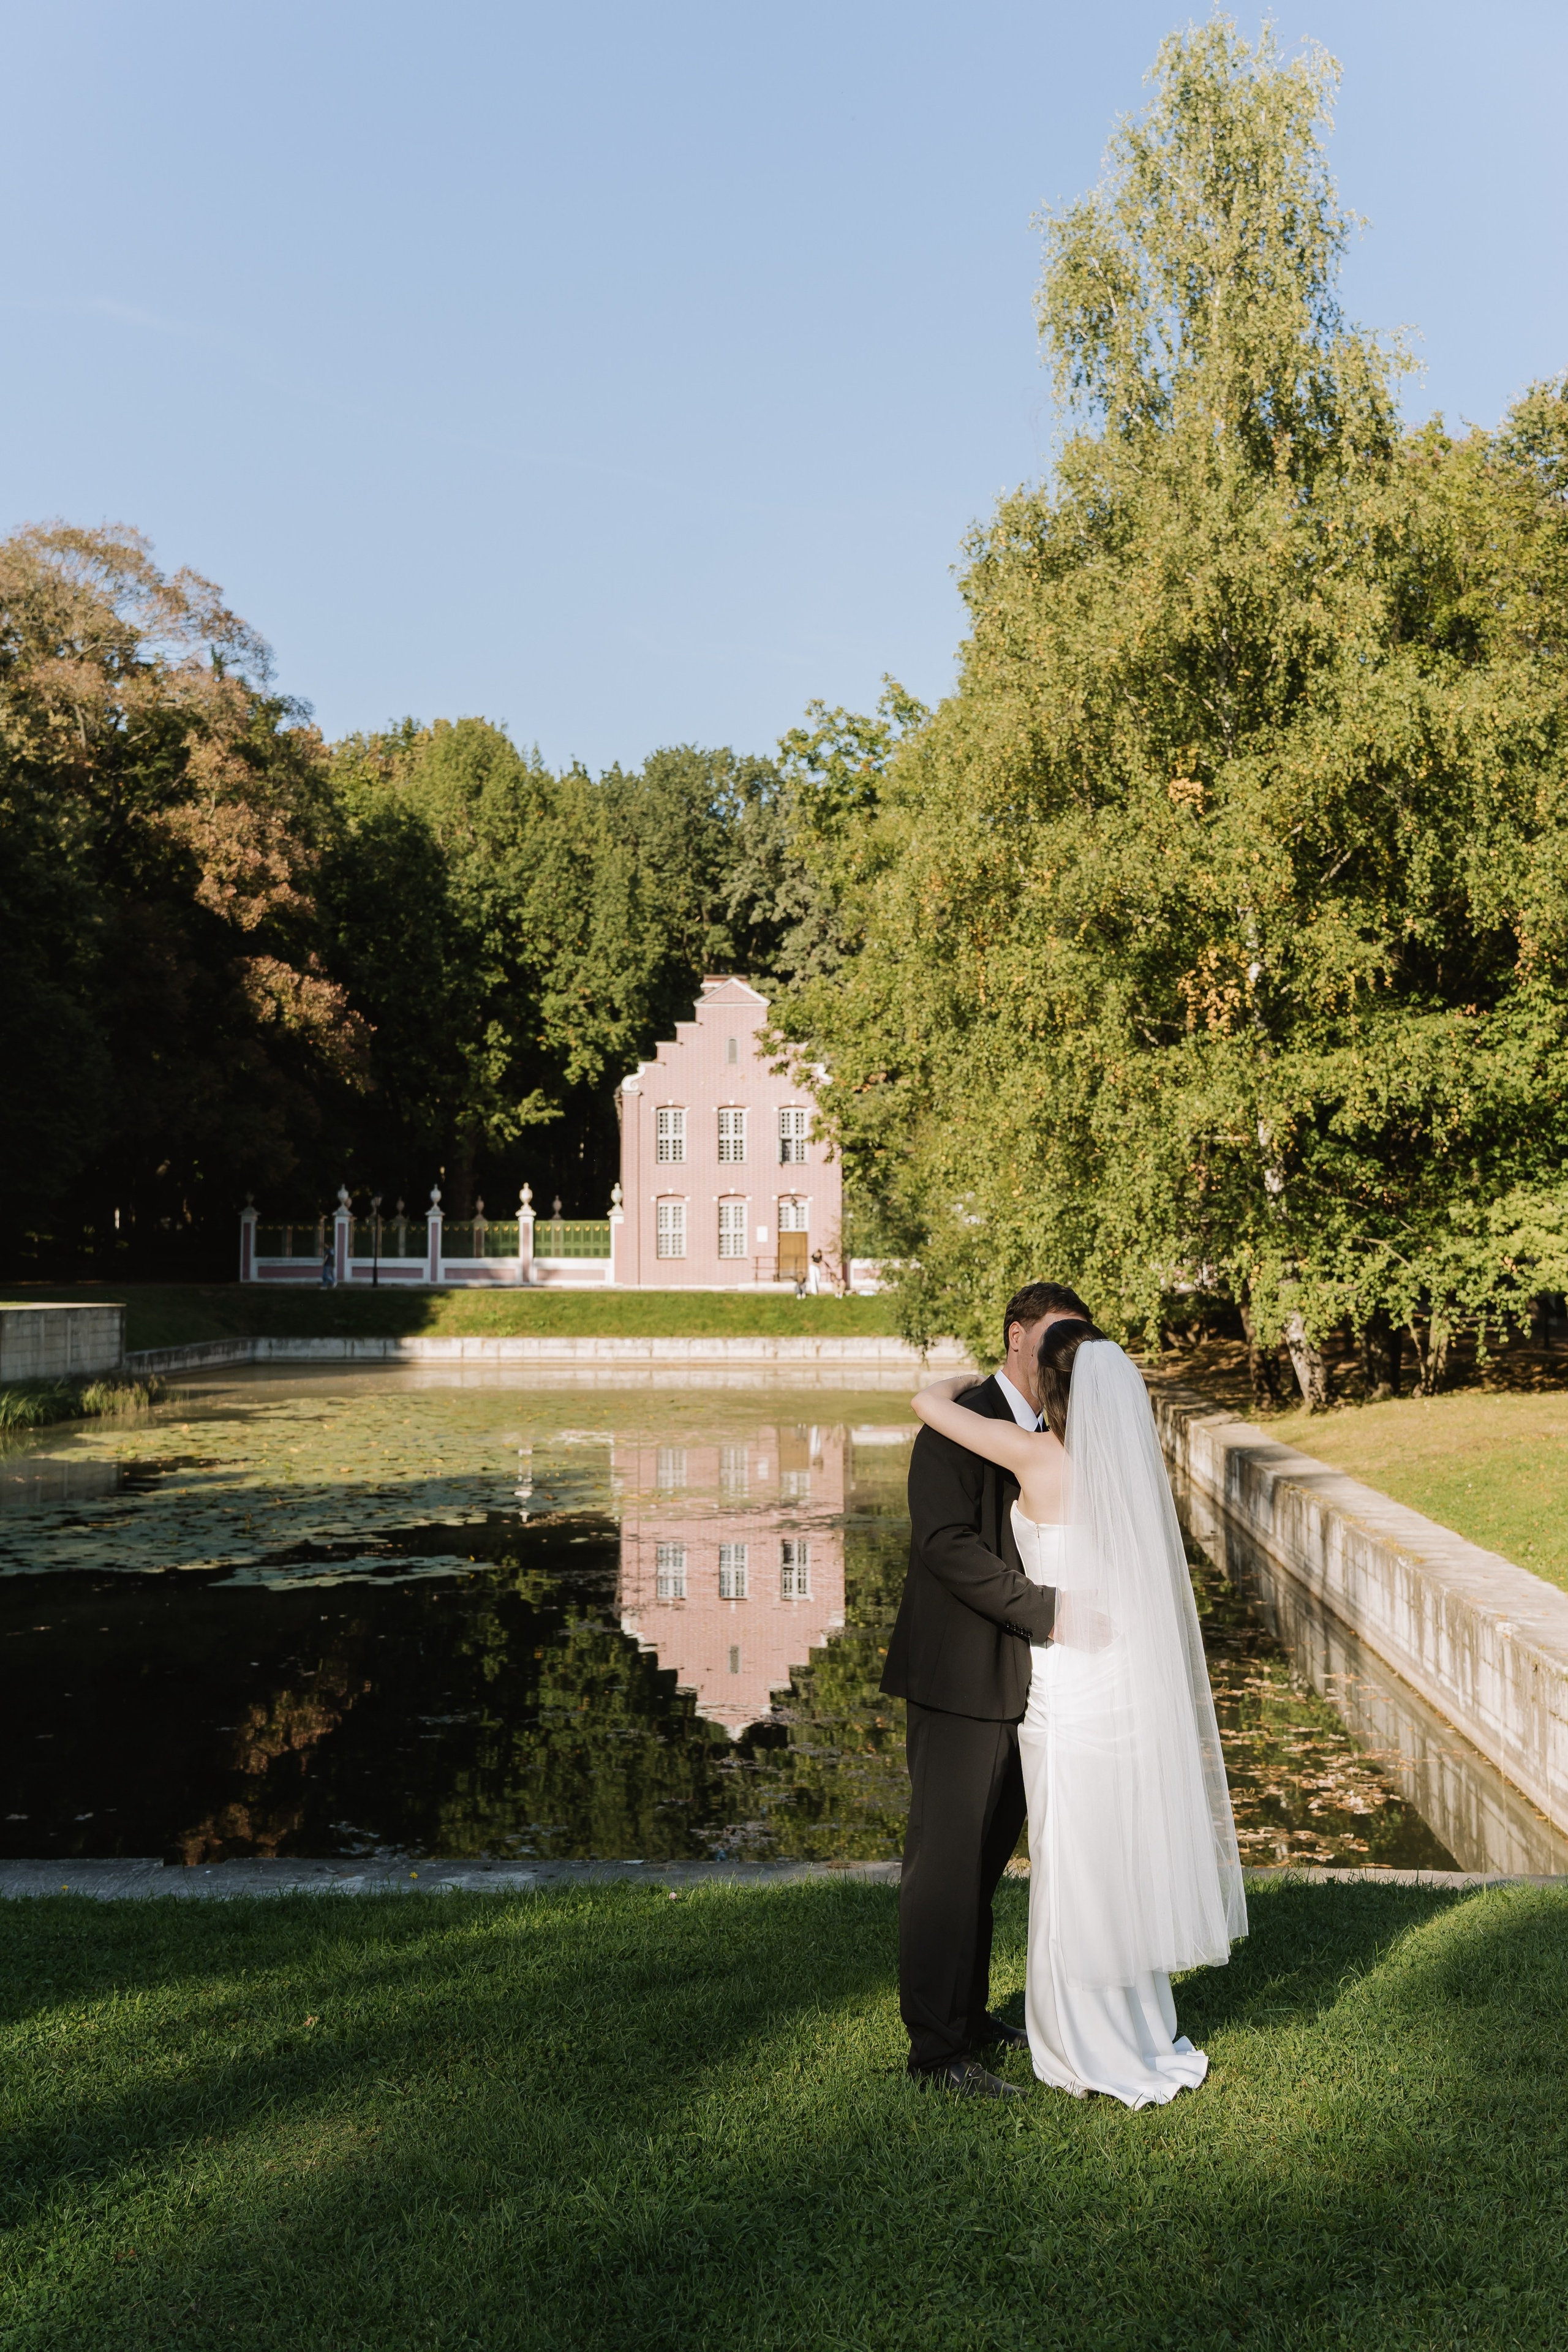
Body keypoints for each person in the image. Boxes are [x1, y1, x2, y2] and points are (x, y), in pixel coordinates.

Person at [911, 1321, 1247, 2107]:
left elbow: (925, 1401)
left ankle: (1078, 2041)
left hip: (1063, 1683)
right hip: (1120, 1678)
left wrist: (964, 1378)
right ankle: (1127, 2025)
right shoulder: (1128, 1473)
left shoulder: (1035, 1455)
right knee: (1111, 1856)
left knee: (1071, 1863)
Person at [881, 1281, 1096, 2098]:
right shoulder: (957, 1424)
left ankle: (967, 2018)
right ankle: (937, 2053)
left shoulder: (1057, 1431)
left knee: (985, 1858)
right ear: (1017, 1339)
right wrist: (1052, 1611)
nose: (1063, 1355)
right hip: (959, 1678)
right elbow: (947, 1548)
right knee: (944, 1864)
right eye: (1053, 1338)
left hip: (1027, 1687)